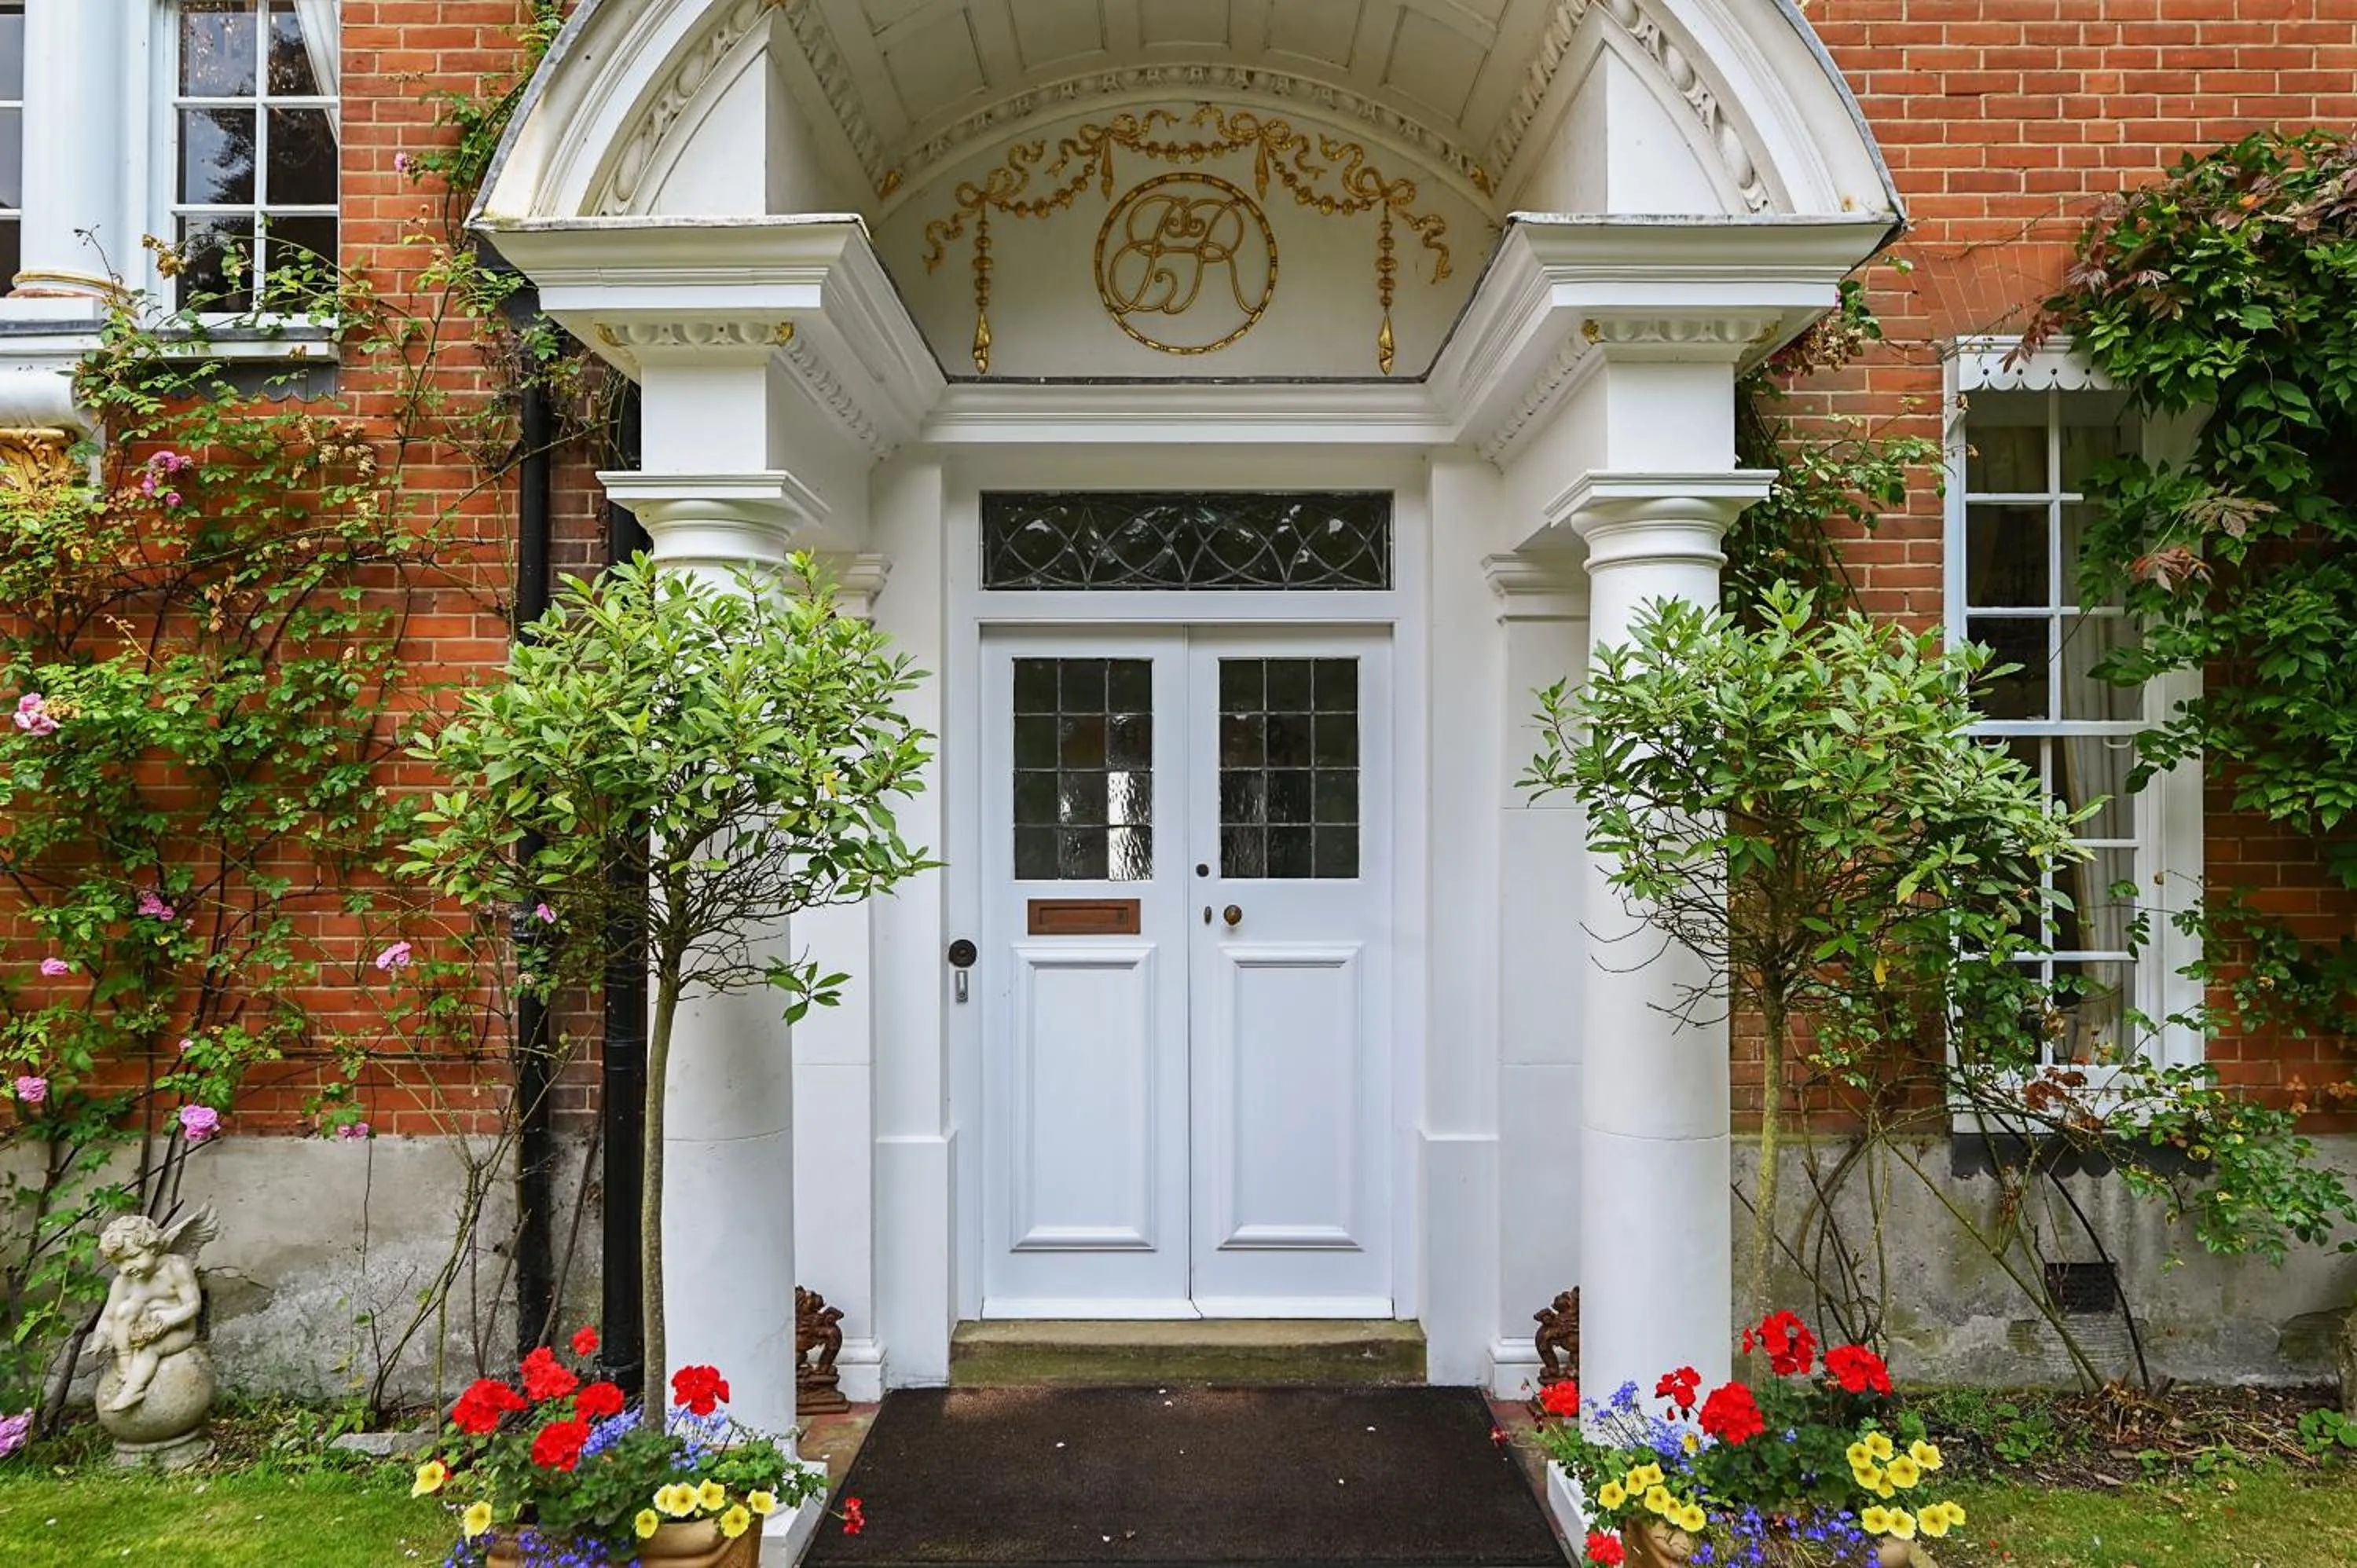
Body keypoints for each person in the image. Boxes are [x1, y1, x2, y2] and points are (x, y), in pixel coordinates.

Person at [96, 1215, 203, 1412]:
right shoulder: (124, 1281)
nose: (126, 1267)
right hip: (141, 1332)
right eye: (118, 1263)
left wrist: (169, 1319)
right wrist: (101, 1336)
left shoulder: (176, 1267)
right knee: (126, 1309)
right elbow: (109, 1316)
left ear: (152, 1248)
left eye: (133, 1257)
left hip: (178, 1329)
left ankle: (133, 1390)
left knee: (149, 1349)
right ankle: (125, 1364)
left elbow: (193, 1304)